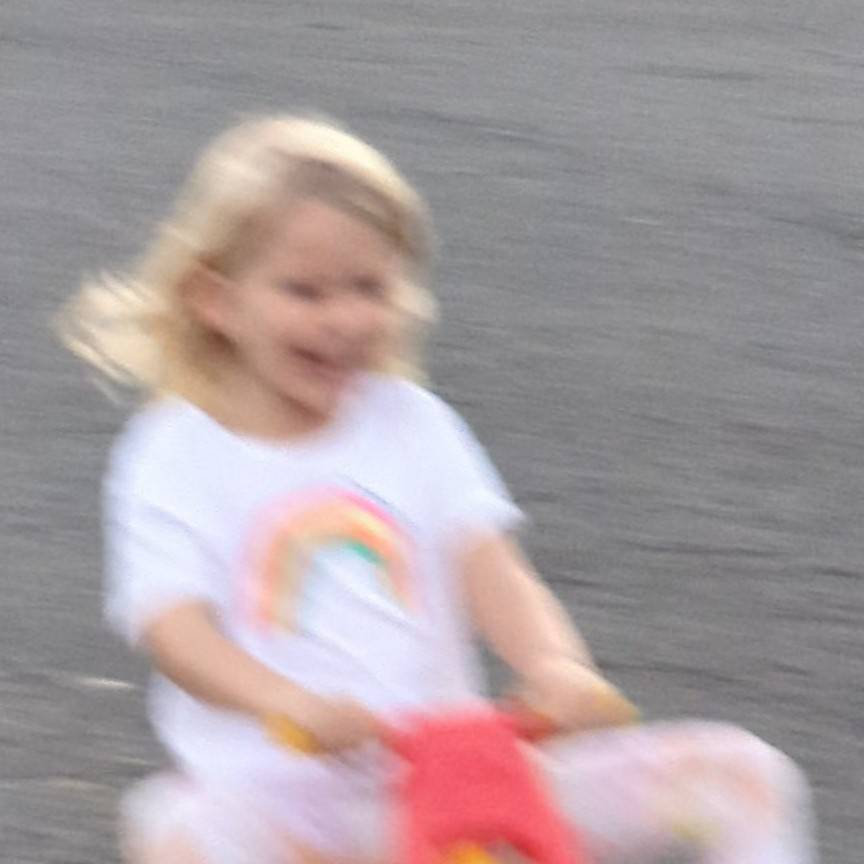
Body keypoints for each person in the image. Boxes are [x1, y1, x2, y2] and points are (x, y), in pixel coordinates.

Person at [60, 114, 816, 864]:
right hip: (294, 806)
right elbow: (177, 634)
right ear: (216, 300)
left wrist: (555, 666)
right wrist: (289, 703)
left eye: (369, 287)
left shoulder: (411, 423)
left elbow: (492, 569)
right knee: (175, 824)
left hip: (457, 782)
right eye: (305, 292)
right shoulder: (175, 451)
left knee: (743, 775)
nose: (345, 318)